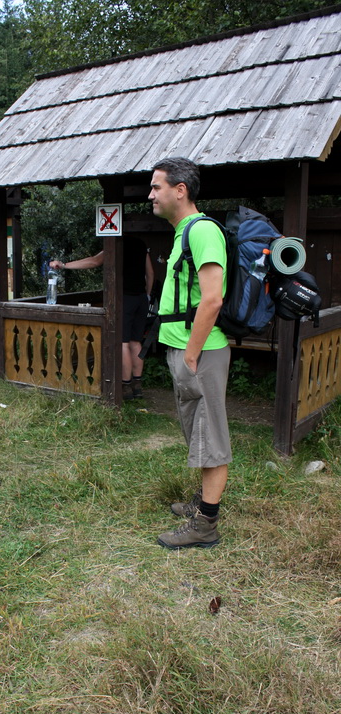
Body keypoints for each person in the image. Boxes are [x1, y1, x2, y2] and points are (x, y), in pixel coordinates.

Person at [148, 157, 231, 549]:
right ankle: (203, 504)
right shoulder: (184, 231)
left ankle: (206, 525)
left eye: (156, 187)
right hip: (186, 349)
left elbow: (212, 299)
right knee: (198, 431)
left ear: (180, 190)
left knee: (211, 436)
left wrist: (193, 353)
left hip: (201, 352)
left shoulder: (202, 232)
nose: (151, 194)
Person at [50, 236, 154, 399]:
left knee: (123, 343)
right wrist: (147, 295)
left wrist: (64, 265)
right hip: (141, 298)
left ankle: (125, 385)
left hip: (125, 298)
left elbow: (94, 261)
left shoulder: (118, 243)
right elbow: (150, 273)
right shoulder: (140, 243)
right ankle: (137, 385)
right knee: (136, 342)